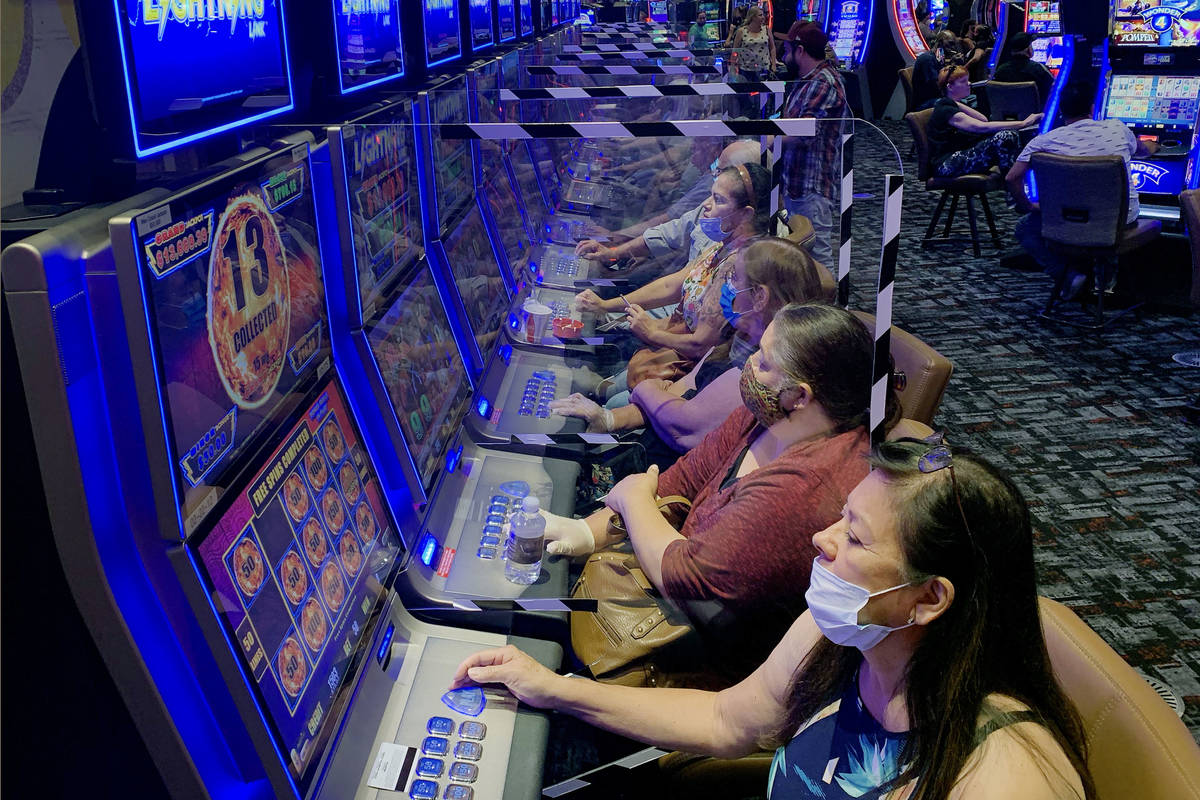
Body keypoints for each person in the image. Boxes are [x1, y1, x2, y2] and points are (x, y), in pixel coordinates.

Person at [451, 438, 1097, 800]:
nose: (822, 538)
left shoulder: (1005, 777)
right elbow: (728, 718)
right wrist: (554, 689)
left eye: (857, 539)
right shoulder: (841, 634)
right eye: (842, 516)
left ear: (930, 599)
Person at [527, 304, 895, 678]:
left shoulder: (804, 488)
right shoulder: (768, 416)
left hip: (700, 656)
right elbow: (685, 477)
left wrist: (634, 499)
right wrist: (587, 531)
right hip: (669, 598)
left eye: (764, 361)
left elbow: (687, 577)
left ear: (799, 396)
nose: (748, 363)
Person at [549, 239, 825, 457]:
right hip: (657, 440)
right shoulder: (737, 338)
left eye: (734, 280)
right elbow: (679, 392)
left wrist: (648, 389)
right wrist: (608, 419)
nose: (724, 288)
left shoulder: (761, 369)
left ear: (760, 297)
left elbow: (684, 427)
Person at [574, 164, 773, 406]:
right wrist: (607, 305)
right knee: (611, 390)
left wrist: (653, 333)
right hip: (673, 349)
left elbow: (701, 344)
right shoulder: (726, 244)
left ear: (746, 214)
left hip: (692, 372)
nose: (707, 205)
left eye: (718, 199)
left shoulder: (738, 265)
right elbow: (674, 284)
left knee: (614, 405)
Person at [1007, 81, 1158, 300]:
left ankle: (1068, 276)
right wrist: (1157, 145)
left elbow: (1011, 177)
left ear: (1060, 110)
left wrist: (1028, 205)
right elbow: (1144, 150)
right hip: (1117, 220)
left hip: (1067, 219)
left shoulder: (1043, 142)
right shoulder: (1117, 129)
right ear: (1092, 107)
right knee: (1108, 212)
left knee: (1024, 229)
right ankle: (1104, 277)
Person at [574, 139, 764, 269]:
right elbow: (666, 232)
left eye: (720, 170)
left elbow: (676, 283)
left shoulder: (745, 254)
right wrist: (613, 251)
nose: (712, 173)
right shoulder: (712, 202)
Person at [780, 23, 848, 270]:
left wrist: (763, 140)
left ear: (800, 50)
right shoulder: (808, 80)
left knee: (818, 258)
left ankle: (827, 308)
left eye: (787, 48)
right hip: (798, 183)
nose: (784, 55)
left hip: (812, 185)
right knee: (802, 257)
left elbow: (804, 131)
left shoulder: (823, 82)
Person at [928, 65, 1041, 179]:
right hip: (945, 165)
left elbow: (983, 119)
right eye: (963, 81)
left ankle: (1013, 184)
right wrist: (1023, 123)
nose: (969, 84)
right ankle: (1012, 185)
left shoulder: (951, 104)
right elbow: (981, 126)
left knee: (1008, 135)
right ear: (950, 87)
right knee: (1005, 136)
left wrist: (956, 102)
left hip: (958, 155)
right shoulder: (945, 109)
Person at [995, 32, 1054, 105]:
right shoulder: (1039, 69)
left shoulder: (1000, 70)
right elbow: (1055, 89)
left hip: (1006, 114)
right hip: (1036, 115)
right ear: (1028, 50)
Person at [913, 31, 963, 110]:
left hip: (936, 97)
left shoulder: (939, 57)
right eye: (950, 43)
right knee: (961, 104)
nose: (953, 48)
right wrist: (952, 66)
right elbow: (937, 86)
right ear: (940, 42)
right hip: (926, 102)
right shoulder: (927, 59)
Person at [729, 6, 777, 80]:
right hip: (745, 69)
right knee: (747, 90)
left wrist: (773, 64)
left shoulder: (766, 30)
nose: (763, 17)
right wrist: (732, 67)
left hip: (763, 68)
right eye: (760, 15)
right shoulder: (741, 31)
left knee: (762, 91)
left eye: (763, 15)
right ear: (753, 17)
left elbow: (772, 48)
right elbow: (735, 51)